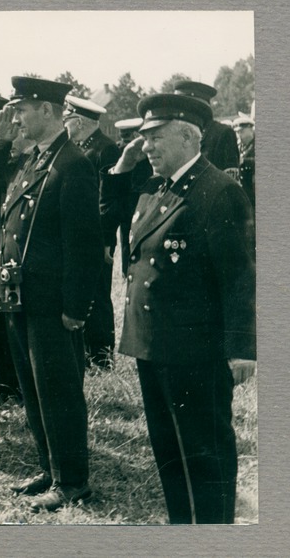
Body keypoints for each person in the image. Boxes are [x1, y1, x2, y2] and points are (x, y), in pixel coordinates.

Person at [118, 93, 256, 524]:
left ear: (186, 136)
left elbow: (239, 276)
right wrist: (120, 172)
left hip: (195, 351)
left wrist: (242, 347)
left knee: (205, 453)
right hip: (154, 345)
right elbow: (117, 225)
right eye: (144, 138)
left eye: (154, 137)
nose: (146, 147)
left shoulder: (218, 191)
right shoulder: (157, 187)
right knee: (169, 453)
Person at [0, 77, 103, 511]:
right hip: (20, 296)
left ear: (50, 112)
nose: (15, 117)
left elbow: (83, 243)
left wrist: (75, 307)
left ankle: (72, 481)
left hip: (52, 303)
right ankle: (50, 468)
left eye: (23, 109)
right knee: (33, 387)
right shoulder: (31, 161)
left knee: (58, 390)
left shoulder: (72, 164)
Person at [63, 96, 121, 371]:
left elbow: (109, 200)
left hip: (98, 237)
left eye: (68, 120)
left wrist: (106, 240)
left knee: (98, 295)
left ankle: (102, 355)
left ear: (80, 121)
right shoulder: (83, 148)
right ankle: (89, 352)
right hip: (86, 235)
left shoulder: (105, 149)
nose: (66, 125)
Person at [99, 117, 155, 276]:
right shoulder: (130, 151)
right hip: (136, 195)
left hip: (129, 197)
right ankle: (128, 268)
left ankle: (126, 268)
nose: (125, 139)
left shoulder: (122, 148)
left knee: (126, 235)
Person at [172, 80, 239, 171]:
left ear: (197, 107)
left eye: (182, 106)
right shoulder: (175, 134)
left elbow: (230, 182)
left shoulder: (221, 133)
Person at [233, 115, 256, 212]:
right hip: (244, 189)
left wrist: (244, 161)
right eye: (237, 133)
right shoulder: (239, 146)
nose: (239, 136)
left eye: (242, 132)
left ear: (250, 130)